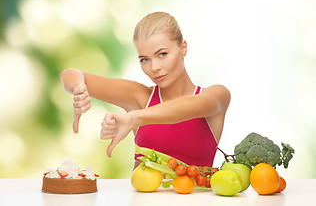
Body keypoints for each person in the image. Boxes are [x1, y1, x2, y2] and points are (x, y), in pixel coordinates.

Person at [60, 12, 231, 169]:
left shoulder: (217, 95)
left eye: (162, 54)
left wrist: (134, 118)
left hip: (198, 202)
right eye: (144, 59)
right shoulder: (140, 98)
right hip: (142, 202)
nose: (154, 67)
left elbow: (190, 107)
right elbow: (70, 74)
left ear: (183, 48)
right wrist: (79, 88)